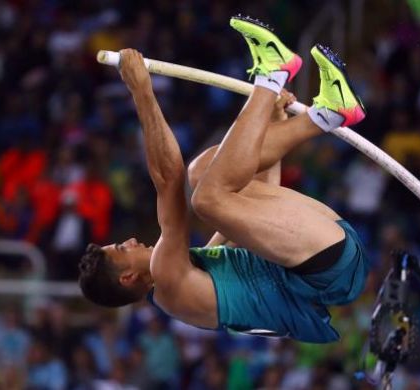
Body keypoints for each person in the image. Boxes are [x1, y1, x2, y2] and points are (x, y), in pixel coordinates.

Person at [79, 16, 368, 343]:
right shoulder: (170, 281)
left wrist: (273, 118)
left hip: (325, 256)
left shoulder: (196, 270)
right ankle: (273, 74)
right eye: (121, 248)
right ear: (128, 277)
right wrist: (141, 90)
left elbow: (257, 204)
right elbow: (167, 179)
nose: (130, 240)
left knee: (202, 174)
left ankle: (326, 115)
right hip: (327, 269)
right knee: (204, 199)